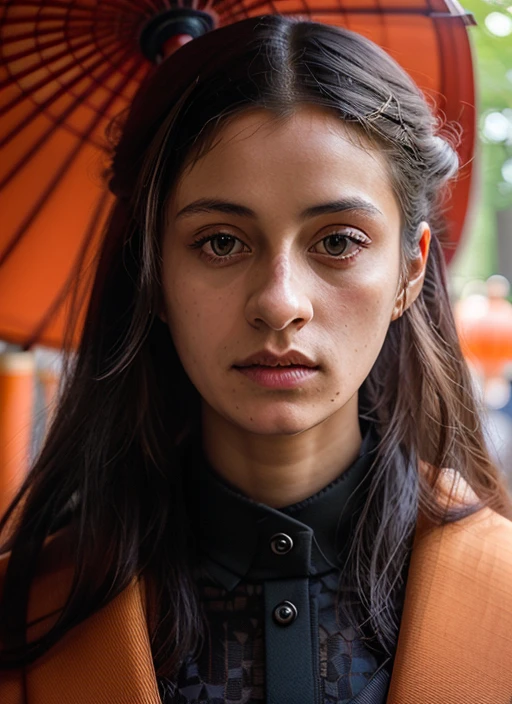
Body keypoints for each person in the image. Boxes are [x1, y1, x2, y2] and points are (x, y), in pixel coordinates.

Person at [1, 14, 512, 704]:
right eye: (219, 242)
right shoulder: (26, 620)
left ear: (410, 270)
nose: (279, 303)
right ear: (152, 268)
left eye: (337, 242)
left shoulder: (500, 594)